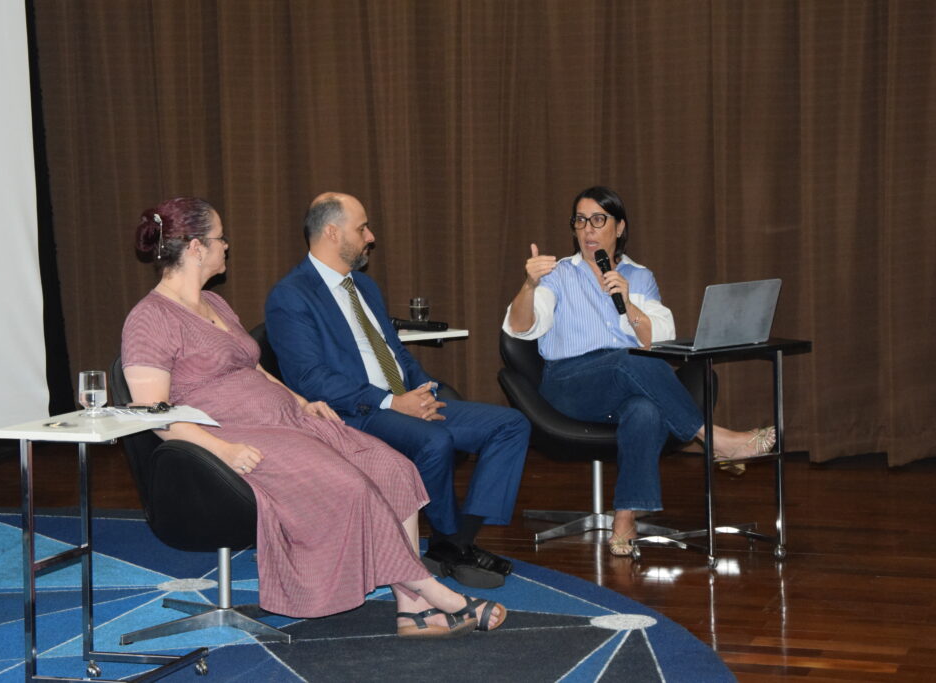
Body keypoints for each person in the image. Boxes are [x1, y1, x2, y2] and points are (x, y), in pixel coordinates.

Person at [121, 196, 506, 637]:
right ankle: (433, 594)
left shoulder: (215, 304)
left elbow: (255, 369)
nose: (226, 245)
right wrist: (221, 449)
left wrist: (301, 401)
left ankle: (411, 610)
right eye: (220, 238)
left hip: (289, 419)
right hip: (233, 437)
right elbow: (152, 414)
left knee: (394, 469)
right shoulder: (149, 318)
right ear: (195, 248)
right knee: (350, 486)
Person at [265, 192, 530, 589]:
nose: (371, 237)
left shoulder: (364, 286)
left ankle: (454, 542)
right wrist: (392, 402)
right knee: (434, 441)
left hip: (402, 401)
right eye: (362, 228)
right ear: (332, 233)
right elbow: (310, 379)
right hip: (353, 414)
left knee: (510, 425)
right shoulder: (291, 295)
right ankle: (451, 544)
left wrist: (423, 389)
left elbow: (395, 351)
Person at [503, 186, 776, 557]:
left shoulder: (639, 276)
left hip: (627, 379)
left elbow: (655, 340)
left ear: (619, 228)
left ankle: (625, 518)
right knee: (627, 361)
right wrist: (529, 284)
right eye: (580, 220)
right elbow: (521, 328)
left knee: (644, 408)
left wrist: (627, 301)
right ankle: (714, 439)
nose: (588, 229)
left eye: (598, 220)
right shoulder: (558, 274)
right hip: (569, 383)